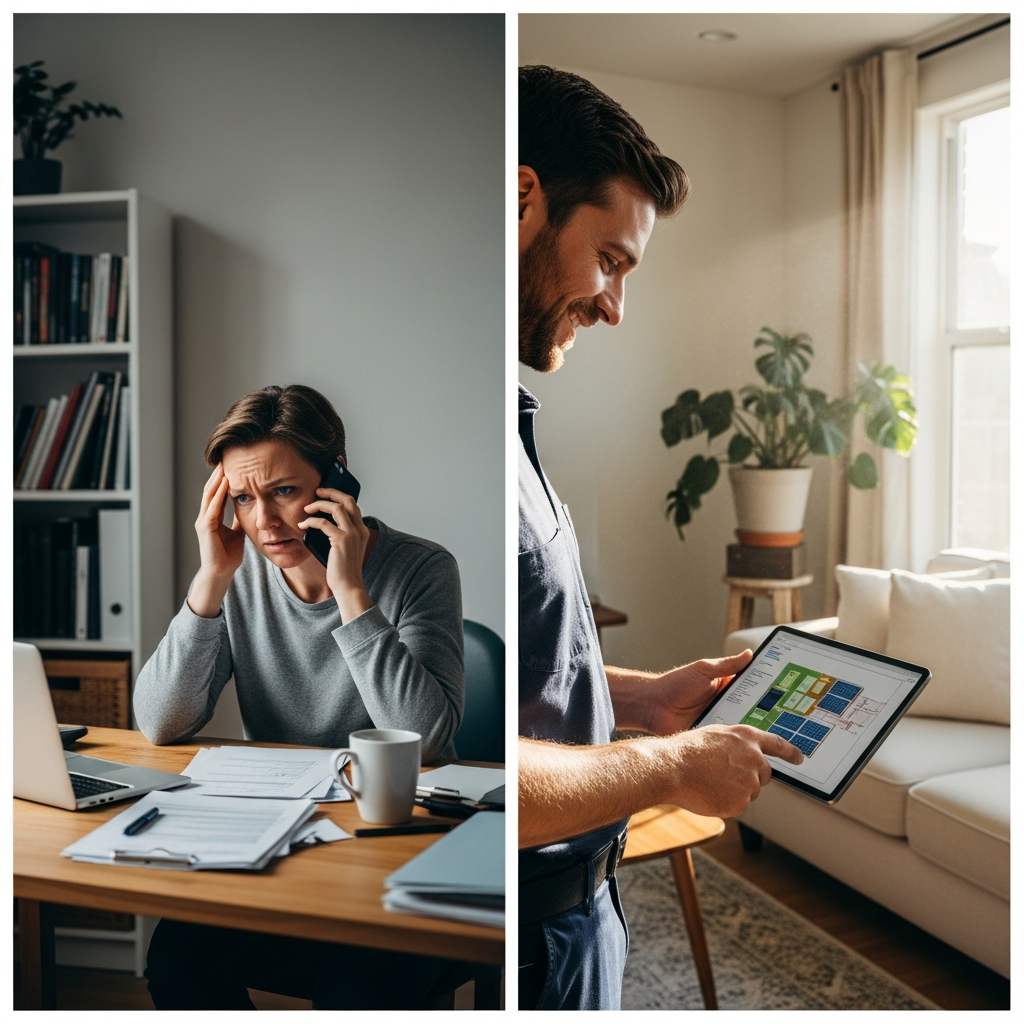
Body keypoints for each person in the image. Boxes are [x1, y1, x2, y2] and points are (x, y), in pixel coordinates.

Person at [517, 66, 805, 1011]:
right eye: (610, 260)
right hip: (525, 939)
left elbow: (504, 688)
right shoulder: (444, 442)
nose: (614, 305)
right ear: (522, 200)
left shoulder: (504, 422)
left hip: (573, 914)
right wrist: (674, 765)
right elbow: (462, 768)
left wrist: (641, 697)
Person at [134, 383, 465, 1009]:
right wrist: (211, 578)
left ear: (337, 478)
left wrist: (351, 591)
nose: (263, 521)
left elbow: (425, 739)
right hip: (282, 842)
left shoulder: (422, 569)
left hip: (392, 854)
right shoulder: (237, 575)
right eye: (243, 498)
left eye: (283, 491)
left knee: (359, 986)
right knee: (177, 961)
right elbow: (159, 722)